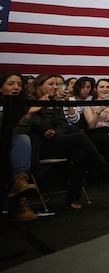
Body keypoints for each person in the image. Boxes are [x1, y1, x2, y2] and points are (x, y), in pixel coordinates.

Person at [16, 75, 109, 210]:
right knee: (79, 137)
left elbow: (63, 125)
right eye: (51, 84)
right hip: (36, 146)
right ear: (39, 86)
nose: (55, 87)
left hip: (55, 140)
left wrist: (54, 131)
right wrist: (48, 113)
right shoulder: (30, 104)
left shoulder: (54, 103)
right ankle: (106, 169)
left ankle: (72, 199)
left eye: (56, 84)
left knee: (81, 154)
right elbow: (39, 126)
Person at [1, 70, 39, 220]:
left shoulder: (23, 106)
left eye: (19, 84)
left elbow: (15, 134)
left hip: (13, 146)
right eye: (11, 84)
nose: (16, 87)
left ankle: (20, 186)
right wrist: (28, 116)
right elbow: (6, 134)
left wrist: (28, 115)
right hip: (4, 144)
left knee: (22, 140)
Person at [82, 78, 109, 170]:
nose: (105, 89)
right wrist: (99, 110)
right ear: (95, 89)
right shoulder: (88, 105)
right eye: (102, 87)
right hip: (95, 132)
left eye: (108, 87)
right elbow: (91, 126)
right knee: (105, 141)